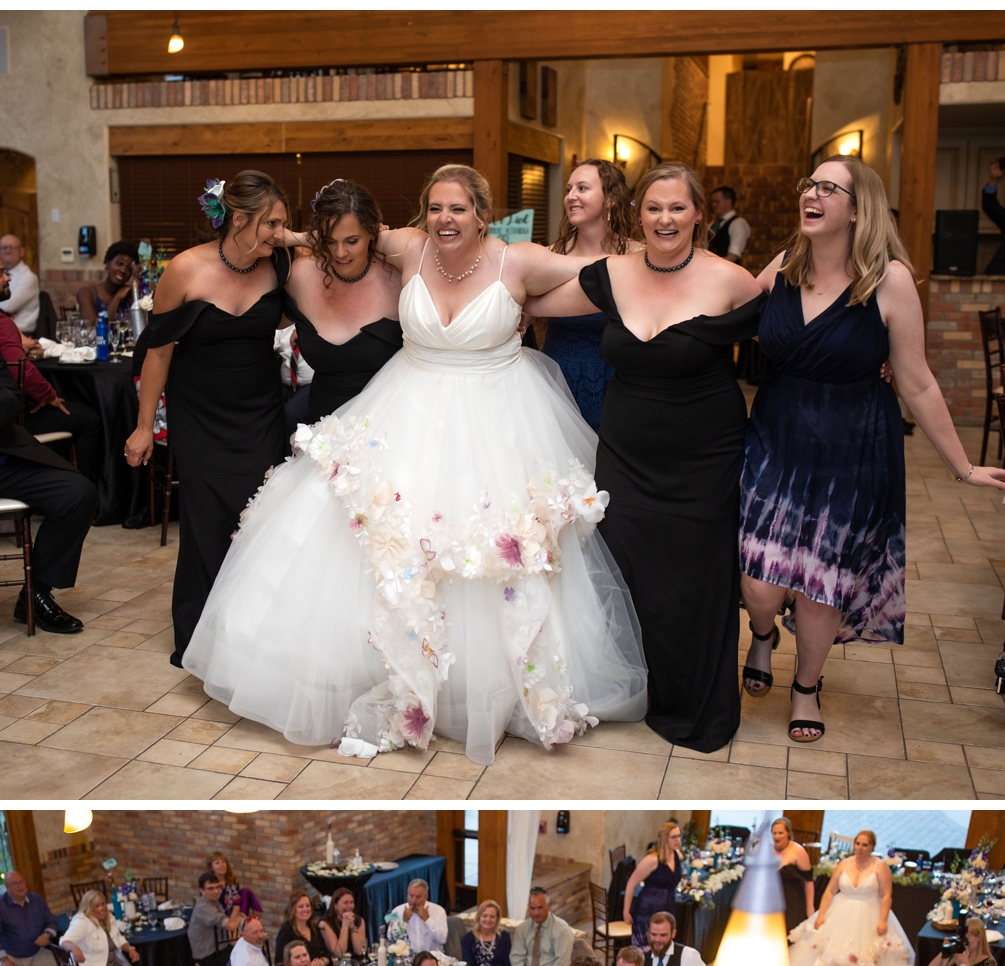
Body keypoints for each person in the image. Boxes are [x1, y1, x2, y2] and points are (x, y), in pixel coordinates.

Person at [178, 163, 647, 760]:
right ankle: (373, 671)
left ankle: (491, 687)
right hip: (408, 408)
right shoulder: (406, 247)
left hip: (498, 419)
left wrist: (534, 298)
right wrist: (271, 234)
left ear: (482, 211)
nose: (445, 219)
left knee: (497, 550)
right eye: (435, 208)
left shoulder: (518, 260)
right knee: (371, 533)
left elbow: (609, 274)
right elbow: (334, 235)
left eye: (458, 208)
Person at [740, 157, 1005, 747]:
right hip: (776, 437)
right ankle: (763, 635)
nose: (809, 195)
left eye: (826, 188)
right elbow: (724, 314)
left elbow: (916, 380)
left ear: (858, 208)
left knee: (822, 587)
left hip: (854, 449)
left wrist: (962, 467)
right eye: (807, 185)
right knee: (760, 583)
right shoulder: (783, 266)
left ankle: (806, 687)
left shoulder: (888, 280)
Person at [124, 171, 297, 667]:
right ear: (238, 218)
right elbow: (157, 354)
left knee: (260, 518)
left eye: (284, 224)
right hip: (198, 415)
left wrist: (292, 238)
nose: (279, 233)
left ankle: (253, 632)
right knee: (205, 521)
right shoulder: (185, 269)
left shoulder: (278, 264)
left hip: (260, 411)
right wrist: (142, 427)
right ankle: (200, 636)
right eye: (273, 223)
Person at [0, 250, 102, 487]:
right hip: (7, 423)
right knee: (90, 418)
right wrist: (48, 395)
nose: (8, 279)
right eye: (1, 273)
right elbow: (18, 367)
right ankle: (86, 492)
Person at [282, 179, 405, 426]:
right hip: (323, 428)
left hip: (388, 426)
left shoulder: (399, 276)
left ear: (374, 233)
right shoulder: (299, 276)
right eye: (329, 241)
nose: (339, 253)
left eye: (352, 241)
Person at [535, 157, 637, 430]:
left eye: (582, 188)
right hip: (560, 376)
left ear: (611, 198)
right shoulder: (550, 255)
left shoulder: (638, 256)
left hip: (619, 378)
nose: (571, 197)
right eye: (569, 189)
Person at [776, 829, 912, 966]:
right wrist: (821, 915)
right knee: (827, 957)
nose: (860, 848)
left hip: (868, 914)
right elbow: (830, 890)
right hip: (841, 912)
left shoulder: (880, 867)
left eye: (865, 845)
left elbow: (886, 895)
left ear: (872, 847)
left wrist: (883, 920)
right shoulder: (844, 864)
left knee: (863, 960)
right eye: (858, 844)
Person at [623, 820, 686, 938]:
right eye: (673, 837)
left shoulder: (677, 855)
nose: (677, 840)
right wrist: (626, 912)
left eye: (679, 836)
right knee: (647, 950)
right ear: (664, 839)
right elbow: (631, 884)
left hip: (668, 908)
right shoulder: (652, 859)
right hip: (648, 910)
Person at [69, 240, 142, 328]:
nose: (123, 270)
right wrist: (118, 297)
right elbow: (95, 330)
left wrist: (137, 285)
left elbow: (142, 327)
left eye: (129, 268)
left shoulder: (130, 295)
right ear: (107, 262)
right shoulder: (86, 293)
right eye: (119, 264)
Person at [187, 873, 233, 966]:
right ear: (202, 890)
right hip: (207, 957)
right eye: (211, 889)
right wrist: (241, 915)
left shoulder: (215, 903)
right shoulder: (203, 907)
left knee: (252, 951)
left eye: (218, 887)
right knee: (246, 957)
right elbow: (230, 925)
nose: (216, 891)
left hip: (219, 950)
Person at [390, 878, 449, 957]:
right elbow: (391, 938)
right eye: (411, 896)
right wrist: (404, 921)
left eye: (418, 897)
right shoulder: (395, 911)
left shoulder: (439, 910)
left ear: (426, 897)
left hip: (433, 958)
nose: (413, 901)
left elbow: (442, 939)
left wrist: (427, 919)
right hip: (407, 959)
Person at [0, 235, 40, 332]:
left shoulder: (29, 277)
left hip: (23, 333)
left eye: (12, 247)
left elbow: (7, 307)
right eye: (4, 247)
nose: (8, 251)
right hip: (1, 329)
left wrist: (0, 310)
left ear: (21, 251)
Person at [274, 890, 328, 966]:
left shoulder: (314, 928)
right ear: (293, 909)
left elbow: (326, 953)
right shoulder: (286, 932)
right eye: (301, 906)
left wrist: (322, 962)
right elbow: (281, 965)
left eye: (308, 905)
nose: (305, 909)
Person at [317, 886, 368, 961]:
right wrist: (345, 926)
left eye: (351, 902)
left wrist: (352, 926)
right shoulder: (325, 923)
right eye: (345, 903)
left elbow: (360, 951)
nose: (350, 906)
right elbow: (339, 953)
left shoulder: (359, 920)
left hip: (356, 962)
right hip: (337, 964)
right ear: (335, 905)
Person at [706, 184, 751, 261]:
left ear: (728, 202)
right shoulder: (711, 225)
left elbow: (733, 256)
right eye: (712, 202)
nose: (713, 205)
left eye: (717, 202)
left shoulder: (738, 223)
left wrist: (713, 267)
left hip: (728, 271)